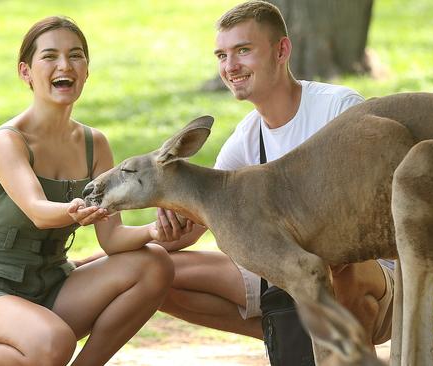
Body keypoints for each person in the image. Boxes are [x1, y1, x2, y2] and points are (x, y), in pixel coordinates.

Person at [0, 16, 179, 366]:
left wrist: (160, 231)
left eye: (76, 55)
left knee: (155, 264)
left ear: (86, 69)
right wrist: (74, 209)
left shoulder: (94, 144)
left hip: (52, 284)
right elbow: (37, 210)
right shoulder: (8, 141)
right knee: (54, 342)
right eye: (50, 56)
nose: (64, 65)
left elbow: (111, 239)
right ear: (26, 72)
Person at [156, 0, 394, 349]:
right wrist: (97, 259)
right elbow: (191, 230)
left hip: (370, 275)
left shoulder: (339, 109)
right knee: (156, 274)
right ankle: (281, 332)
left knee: (334, 263)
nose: (231, 66)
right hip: (291, 273)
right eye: (221, 55)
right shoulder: (245, 140)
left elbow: (374, 218)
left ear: (281, 50)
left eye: (243, 51)